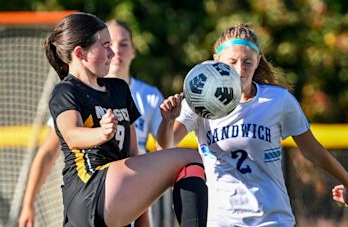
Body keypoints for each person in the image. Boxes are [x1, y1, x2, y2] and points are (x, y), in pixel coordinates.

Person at [157, 24, 348, 226]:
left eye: (247, 62)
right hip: (221, 220)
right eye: (232, 62)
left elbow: (312, 150)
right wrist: (168, 121)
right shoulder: (200, 102)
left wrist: (347, 180)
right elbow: (163, 148)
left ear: (258, 61)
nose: (240, 70)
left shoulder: (278, 100)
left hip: (271, 219)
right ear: (217, 61)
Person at [21, 12, 208, 227]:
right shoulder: (66, 91)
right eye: (106, 45)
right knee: (189, 157)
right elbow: (71, 135)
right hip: (88, 191)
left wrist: (142, 220)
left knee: (187, 162)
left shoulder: (119, 89)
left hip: (116, 198)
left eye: (116, 45)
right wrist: (102, 132)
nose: (112, 53)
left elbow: (133, 157)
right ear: (80, 53)